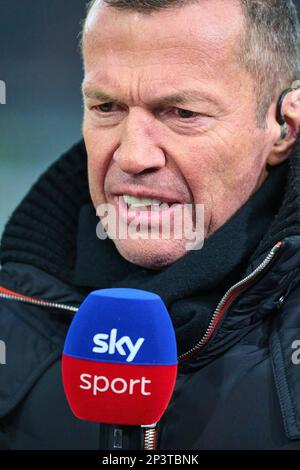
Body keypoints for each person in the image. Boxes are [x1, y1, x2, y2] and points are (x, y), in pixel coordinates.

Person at [1, 0, 300, 450]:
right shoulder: (11, 310)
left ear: (284, 125)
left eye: (182, 113)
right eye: (106, 107)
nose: (132, 156)